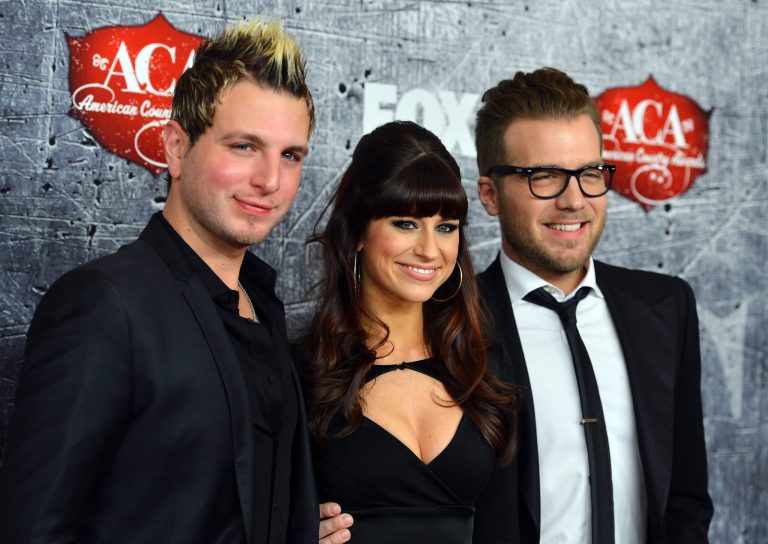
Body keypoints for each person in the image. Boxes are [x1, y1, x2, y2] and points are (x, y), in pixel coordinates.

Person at [0, 19, 350, 544]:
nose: (270, 180)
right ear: (176, 148)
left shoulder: (263, 307)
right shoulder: (104, 305)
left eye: (290, 155)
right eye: (244, 147)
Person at [474, 67, 714, 543]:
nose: (573, 200)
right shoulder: (450, 319)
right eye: (543, 176)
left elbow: (685, 496)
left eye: (588, 174)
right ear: (489, 195)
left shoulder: (666, 308)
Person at [294, 120, 520, 544]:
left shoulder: (484, 366)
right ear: (359, 230)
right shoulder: (301, 373)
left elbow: (504, 528)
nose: (430, 250)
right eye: (406, 223)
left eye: (446, 227)